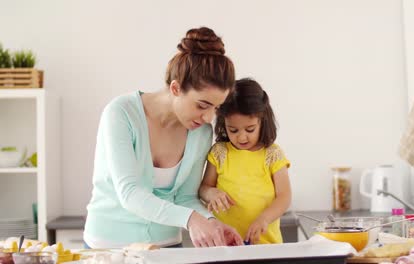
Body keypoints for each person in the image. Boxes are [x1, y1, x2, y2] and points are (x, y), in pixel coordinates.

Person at [84, 27, 243, 249]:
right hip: (108, 249)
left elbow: (186, 197)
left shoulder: (200, 132)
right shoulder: (121, 113)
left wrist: (212, 222)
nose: (208, 118)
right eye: (202, 105)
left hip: (167, 248)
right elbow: (129, 193)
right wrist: (191, 220)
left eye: (216, 108)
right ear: (176, 88)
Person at [199, 78, 292, 245]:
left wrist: (264, 219)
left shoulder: (272, 154)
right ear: (223, 123)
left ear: (262, 121)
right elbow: (204, 188)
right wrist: (210, 193)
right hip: (224, 245)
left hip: (265, 245)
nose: (241, 137)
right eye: (233, 130)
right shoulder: (220, 152)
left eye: (250, 129)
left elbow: (284, 197)